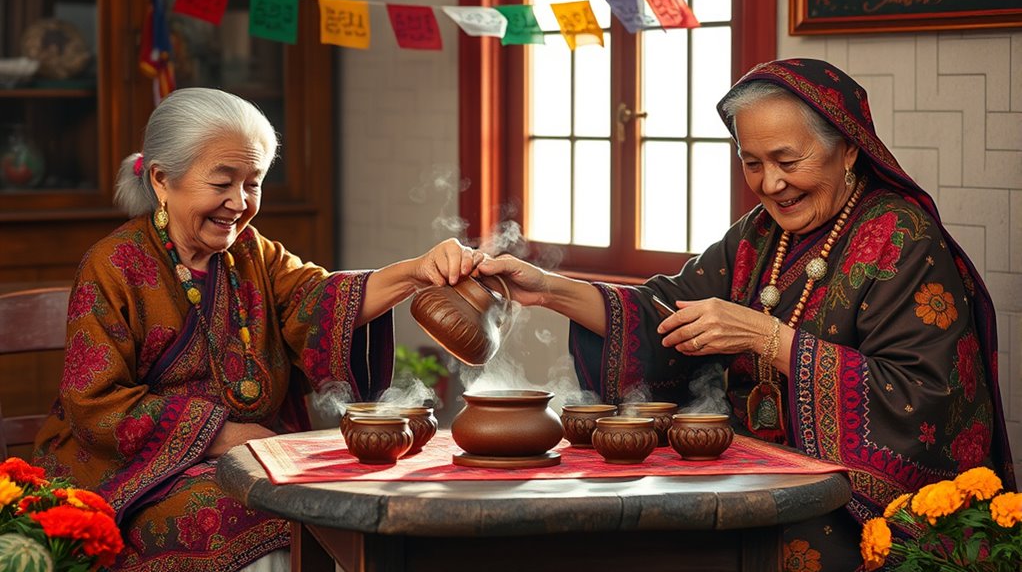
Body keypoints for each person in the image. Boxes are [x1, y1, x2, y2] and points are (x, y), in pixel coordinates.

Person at [477, 58, 1015, 569]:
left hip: (851, 507)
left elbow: (921, 400)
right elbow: (662, 312)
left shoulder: (902, 238)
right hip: (751, 475)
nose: (770, 184)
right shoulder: (761, 232)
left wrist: (766, 336)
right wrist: (546, 289)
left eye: (788, 161)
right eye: (751, 163)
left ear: (849, 149)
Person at [32, 88, 481, 572]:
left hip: (250, 452)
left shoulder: (251, 251)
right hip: (131, 474)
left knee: (343, 497)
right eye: (222, 182)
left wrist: (418, 271)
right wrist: (223, 435)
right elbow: (96, 404)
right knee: (263, 513)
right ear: (162, 180)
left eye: (254, 183)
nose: (239, 202)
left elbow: (318, 298)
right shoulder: (113, 265)